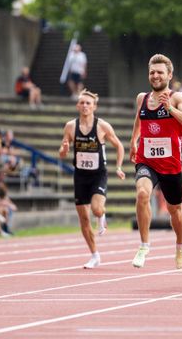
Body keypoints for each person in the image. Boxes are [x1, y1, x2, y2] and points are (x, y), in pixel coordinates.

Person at [129, 54, 182, 270]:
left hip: (171, 163)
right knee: (142, 194)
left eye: (159, 72)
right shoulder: (142, 98)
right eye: (152, 72)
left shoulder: (177, 98)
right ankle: (144, 245)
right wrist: (133, 141)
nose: (155, 76)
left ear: (169, 75)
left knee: (174, 210)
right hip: (147, 160)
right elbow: (139, 120)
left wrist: (171, 109)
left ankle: (180, 245)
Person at [59, 89, 126, 269]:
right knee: (83, 218)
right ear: (77, 105)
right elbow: (62, 152)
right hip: (80, 176)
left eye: (88, 103)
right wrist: (64, 150)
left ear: (94, 106)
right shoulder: (70, 127)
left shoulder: (102, 126)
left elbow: (119, 146)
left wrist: (118, 167)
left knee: (96, 210)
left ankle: (101, 215)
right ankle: (94, 255)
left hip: (98, 174)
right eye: (82, 103)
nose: (85, 106)